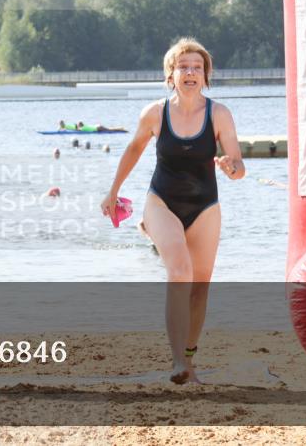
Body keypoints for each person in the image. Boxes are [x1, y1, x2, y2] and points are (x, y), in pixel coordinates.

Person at [101, 37, 245, 384]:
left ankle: (190, 357)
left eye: (197, 67)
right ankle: (178, 361)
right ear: (171, 74)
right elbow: (134, 150)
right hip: (161, 202)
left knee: (200, 286)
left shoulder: (219, 114)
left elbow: (239, 167)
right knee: (180, 271)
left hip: (205, 206)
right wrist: (113, 191)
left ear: (206, 75)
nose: (190, 72)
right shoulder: (154, 113)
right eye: (183, 67)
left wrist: (231, 167)